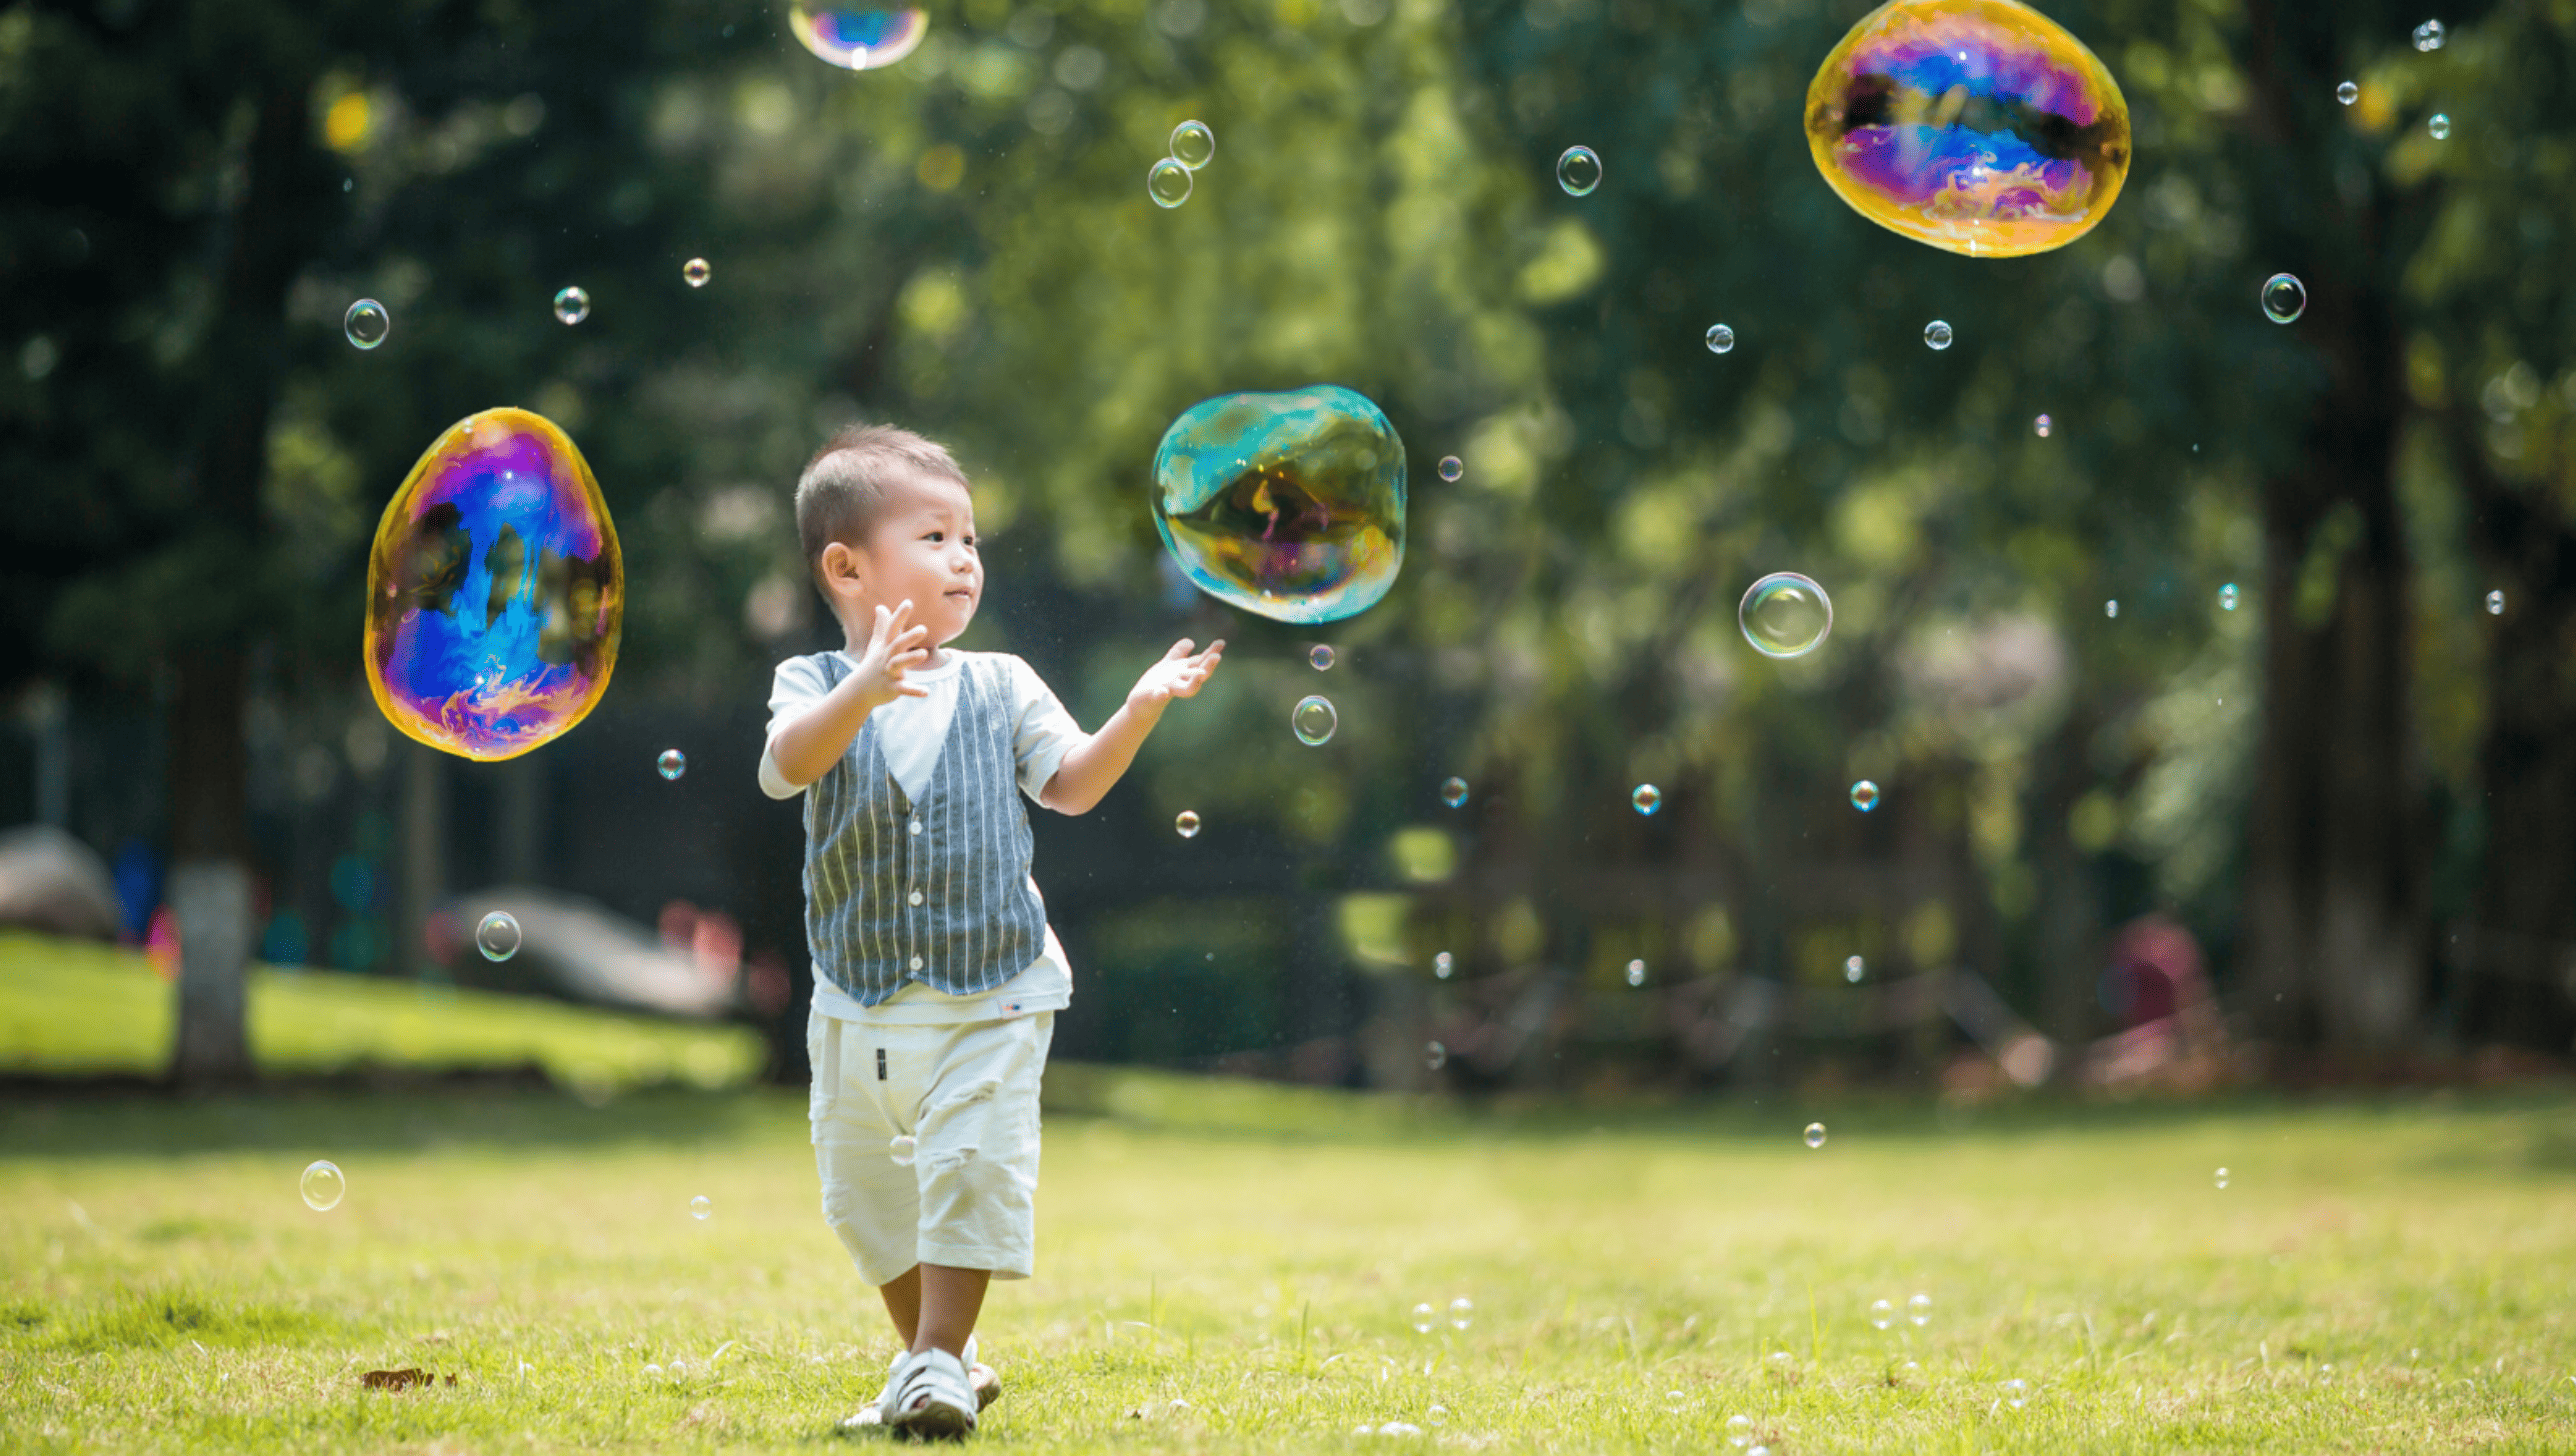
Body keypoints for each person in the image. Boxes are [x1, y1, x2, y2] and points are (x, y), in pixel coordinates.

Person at [760, 424, 1223, 1437]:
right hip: (859, 995)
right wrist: (863, 689)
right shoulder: (810, 686)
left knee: (970, 1164)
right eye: (934, 536)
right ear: (846, 566)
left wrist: (1137, 710)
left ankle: (928, 1363)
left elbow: (1070, 786)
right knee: (862, 1193)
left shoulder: (1000, 682)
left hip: (996, 991)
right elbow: (787, 764)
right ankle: (945, 1358)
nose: (964, 557)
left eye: (970, 539)